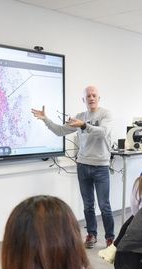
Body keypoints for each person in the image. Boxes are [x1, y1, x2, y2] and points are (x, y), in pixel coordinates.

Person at [31, 86, 114, 248]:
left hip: (101, 167)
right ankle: (91, 234)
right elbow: (60, 131)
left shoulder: (106, 114)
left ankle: (110, 238)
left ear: (99, 98)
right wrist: (46, 119)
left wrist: (84, 125)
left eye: (94, 95)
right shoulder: (79, 117)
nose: (91, 98)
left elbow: (102, 132)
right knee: (88, 204)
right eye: (88, 96)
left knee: (104, 205)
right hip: (83, 166)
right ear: (83, 100)